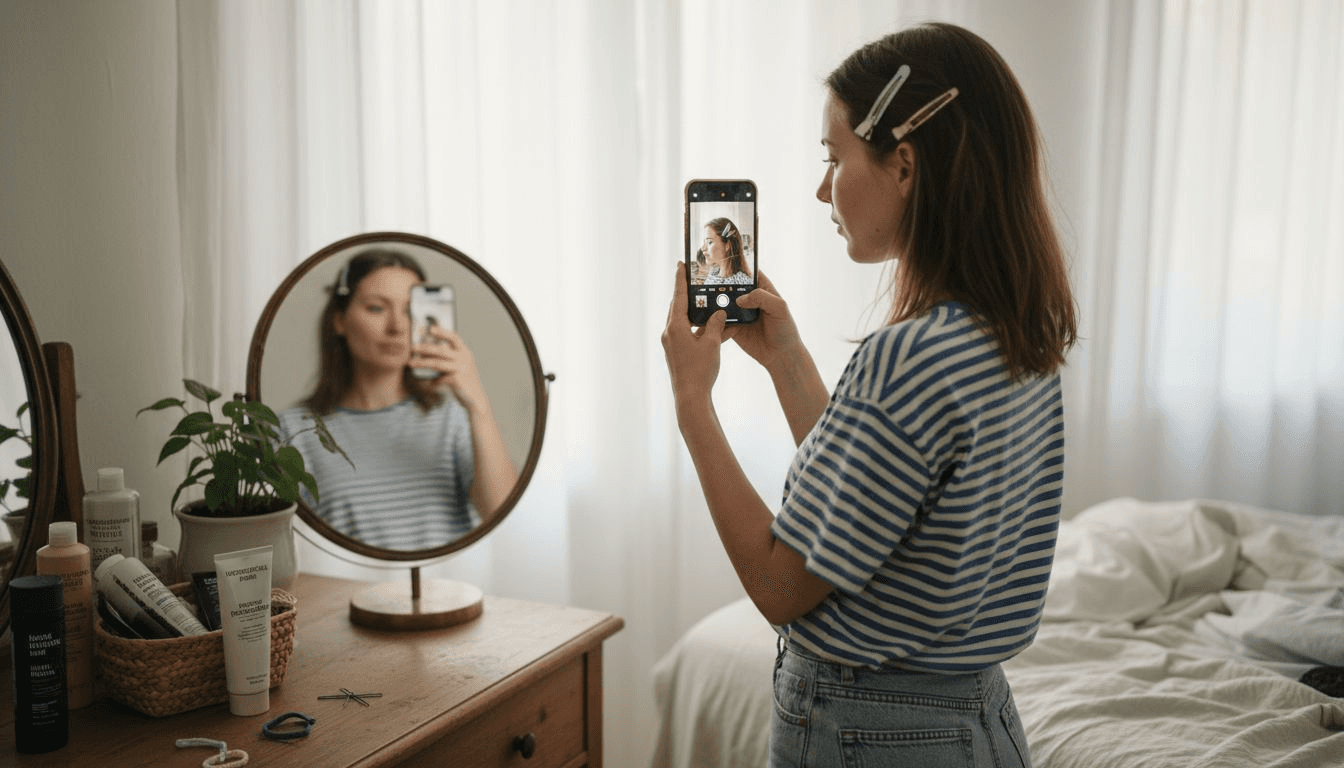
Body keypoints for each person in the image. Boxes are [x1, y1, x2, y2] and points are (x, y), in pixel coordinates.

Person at [662, 22, 1076, 768]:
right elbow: (875, 503)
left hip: (872, 729)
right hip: (980, 718)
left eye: (835, 158)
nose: (823, 188)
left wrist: (694, 406)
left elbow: (782, 585)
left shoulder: (907, 356)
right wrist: (788, 361)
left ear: (905, 165)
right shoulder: (1017, 335)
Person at [280, 248, 519, 550]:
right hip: (344, 593)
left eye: (410, 311)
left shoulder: (452, 418)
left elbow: (502, 514)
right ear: (339, 320)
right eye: (377, 308)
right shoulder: (293, 430)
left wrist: (478, 404)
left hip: (444, 593)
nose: (397, 327)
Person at [698, 217, 754, 285]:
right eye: (704, 242)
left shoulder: (743, 282)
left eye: (709, 242)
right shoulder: (710, 278)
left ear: (727, 245)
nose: (702, 248)